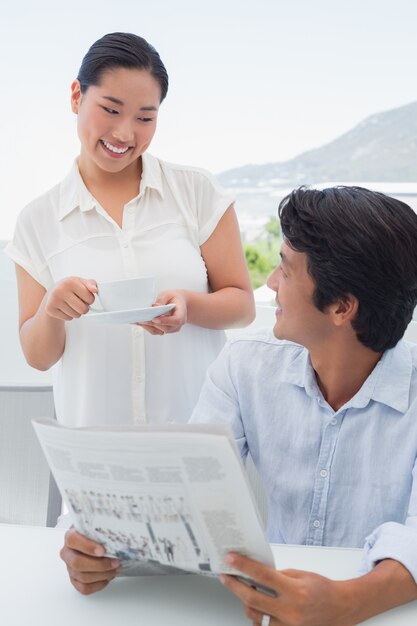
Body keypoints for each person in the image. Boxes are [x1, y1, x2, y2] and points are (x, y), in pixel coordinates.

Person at [190, 186, 417, 624]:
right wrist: (113, 550)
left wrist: (347, 603)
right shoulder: (244, 365)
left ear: (341, 307)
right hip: (265, 605)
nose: (271, 283)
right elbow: (188, 491)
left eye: (286, 271)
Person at [5, 32, 254, 428]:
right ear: (76, 97)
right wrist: (53, 310)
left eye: (145, 118)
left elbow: (242, 305)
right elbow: (38, 356)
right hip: (94, 455)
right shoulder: (38, 219)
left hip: (193, 441)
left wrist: (189, 307)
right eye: (110, 109)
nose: (124, 134)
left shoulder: (196, 192)